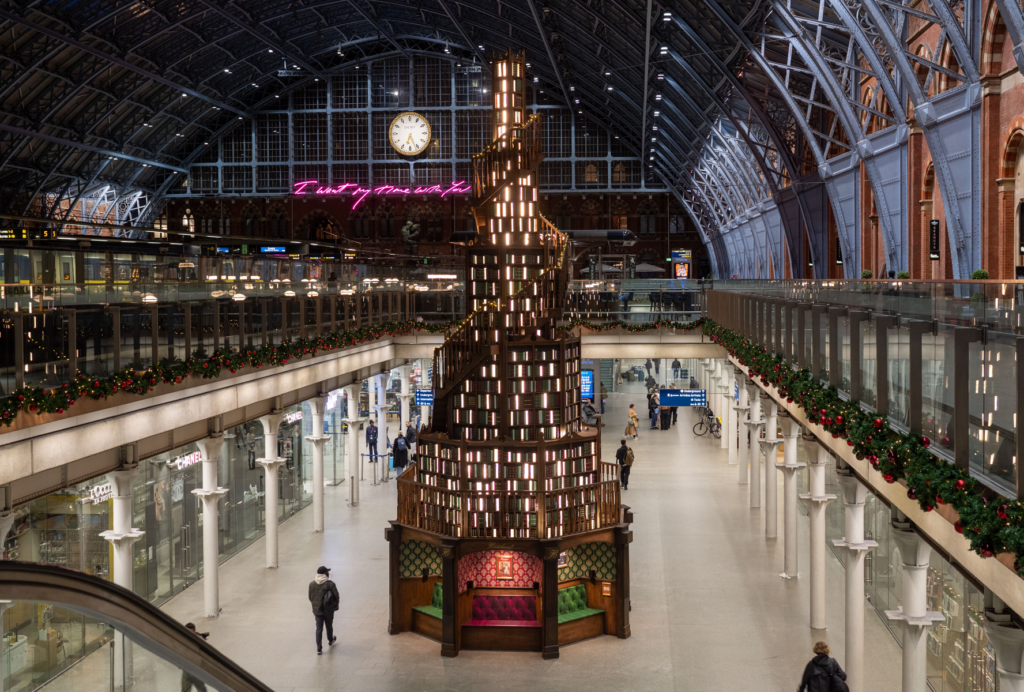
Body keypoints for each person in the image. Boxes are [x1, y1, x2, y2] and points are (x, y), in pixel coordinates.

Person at [309, 566, 340, 655]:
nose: (328, 573)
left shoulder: (311, 584)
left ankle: (319, 648)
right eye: (327, 571)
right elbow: (336, 596)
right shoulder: (330, 584)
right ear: (325, 574)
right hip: (328, 610)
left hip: (317, 610)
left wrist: (315, 605)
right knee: (329, 625)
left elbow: (310, 597)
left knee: (319, 628)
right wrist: (335, 607)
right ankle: (330, 640)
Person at [182, 624, 208, 692]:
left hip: (197, 669)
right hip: (187, 670)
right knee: (185, 690)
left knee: (201, 689)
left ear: (194, 631)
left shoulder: (199, 640)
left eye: (191, 632)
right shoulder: (183, 638)